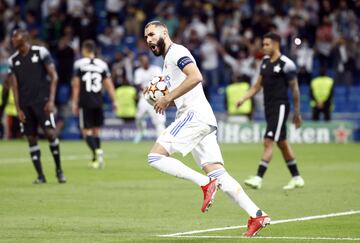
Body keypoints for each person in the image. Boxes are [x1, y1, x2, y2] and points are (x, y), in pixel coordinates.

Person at [144, 21, 270, 237]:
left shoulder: (177, 52)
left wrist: (167, 96)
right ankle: (257, 214)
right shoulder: (167, 62)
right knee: (218, 173)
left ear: (164, 32)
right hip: (200, 117)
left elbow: (196, 76)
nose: (149, 40)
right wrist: (161, 100)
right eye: (146, 37)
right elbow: (184, 92)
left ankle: (204, 183)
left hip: (194, 116)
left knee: (155, 157)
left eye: (152, 34)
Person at [236, 32, 304, 190]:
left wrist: (297, 113)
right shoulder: (265, 62)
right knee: (282, 143)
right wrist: (243, 98)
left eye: (267, 44)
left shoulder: (287, 64)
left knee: (268, 141)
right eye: (263, 44)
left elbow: (295, 90)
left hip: (280, 107)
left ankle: (258, 178)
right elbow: (257, 86)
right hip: (269, 107)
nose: (264, 47)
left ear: (276, 44)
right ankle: (297, 177)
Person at [8, 29, 66, 184]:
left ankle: (59, 170)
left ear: (25, 37)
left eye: (16, 36)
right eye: (12, 36)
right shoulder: (13, 60)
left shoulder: (40, 52)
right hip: (25, 105)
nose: (13, 39)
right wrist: (18, 109)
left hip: (43, 102)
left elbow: (54, 76)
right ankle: (40, 175)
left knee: (50, 134)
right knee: (31, 139)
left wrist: (51, 100)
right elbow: (14, 86)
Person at [71, 40, 117, 169]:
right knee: (96, 131)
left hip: (85, 101)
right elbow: (109, 84)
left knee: (86, 132)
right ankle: (95, 159)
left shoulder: (79, 64)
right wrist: (115, 101)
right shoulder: (102, 64)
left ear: (84, 50)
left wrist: (74, 102)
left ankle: (97, 151)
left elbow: (76, 86)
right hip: (98, 101)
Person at [133, 53, 165, 143]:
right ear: (140, 62)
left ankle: (161, 139)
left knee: (159, 120)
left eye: (145, 60)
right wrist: (146, 90)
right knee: (139, 117)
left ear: (148, 60)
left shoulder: (156, 69)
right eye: (142, 61)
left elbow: (161, 83)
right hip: (144, 97)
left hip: (156, 98)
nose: (144, 62)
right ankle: (141, 131)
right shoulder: (138, 72)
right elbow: (138, 84)